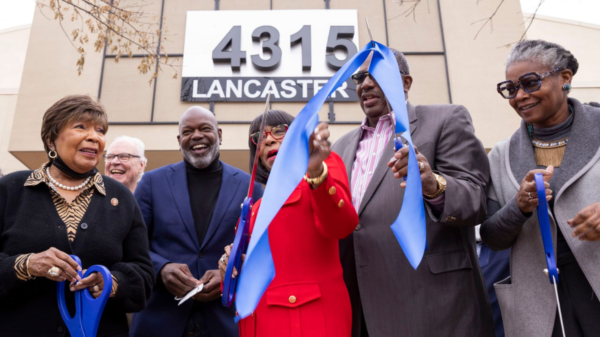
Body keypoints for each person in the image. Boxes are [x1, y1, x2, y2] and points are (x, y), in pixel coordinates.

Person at [331, 49, 495, 336]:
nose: (365, 84)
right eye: (359, 78)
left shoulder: (445, 119)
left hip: (436, 304)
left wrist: (433, 185)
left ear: (405, 83)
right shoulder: (340, 147)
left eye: (376, 75)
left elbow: (476, 201)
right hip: (362, 308)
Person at [0, 95, 154, 336]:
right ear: (51, 140)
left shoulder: (121, 198)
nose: (94, 136)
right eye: (81, 126)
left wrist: (110, 284)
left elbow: (144, 278)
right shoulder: (10, 189)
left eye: (100, 130)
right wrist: (27, 265)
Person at [481, 40, 600, 337]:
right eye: (510, 88)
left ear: (565, 78)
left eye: (531, 83)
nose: (520, 96)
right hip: (542, 307)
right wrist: (518, 207)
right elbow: (492, 237)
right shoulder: (501, 155)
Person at [218, 110, 359, 337]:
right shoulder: (254, 209)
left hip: (310, 324)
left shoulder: (321, 170)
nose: (269, 140)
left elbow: (341, 226)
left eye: (278, 131)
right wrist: (229, 262)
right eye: (260, 137)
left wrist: (315, 171)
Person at [130, 106, 264, 337]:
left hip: (227, 320)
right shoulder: (151, 183)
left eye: (205, 128)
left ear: (219, 135)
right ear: (179, 139)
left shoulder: (250, 187)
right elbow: (132, 244)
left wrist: (230, 271)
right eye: (188, 131)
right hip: (160, 319)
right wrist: (161, 268)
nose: (197, 136)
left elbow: (261, 251)